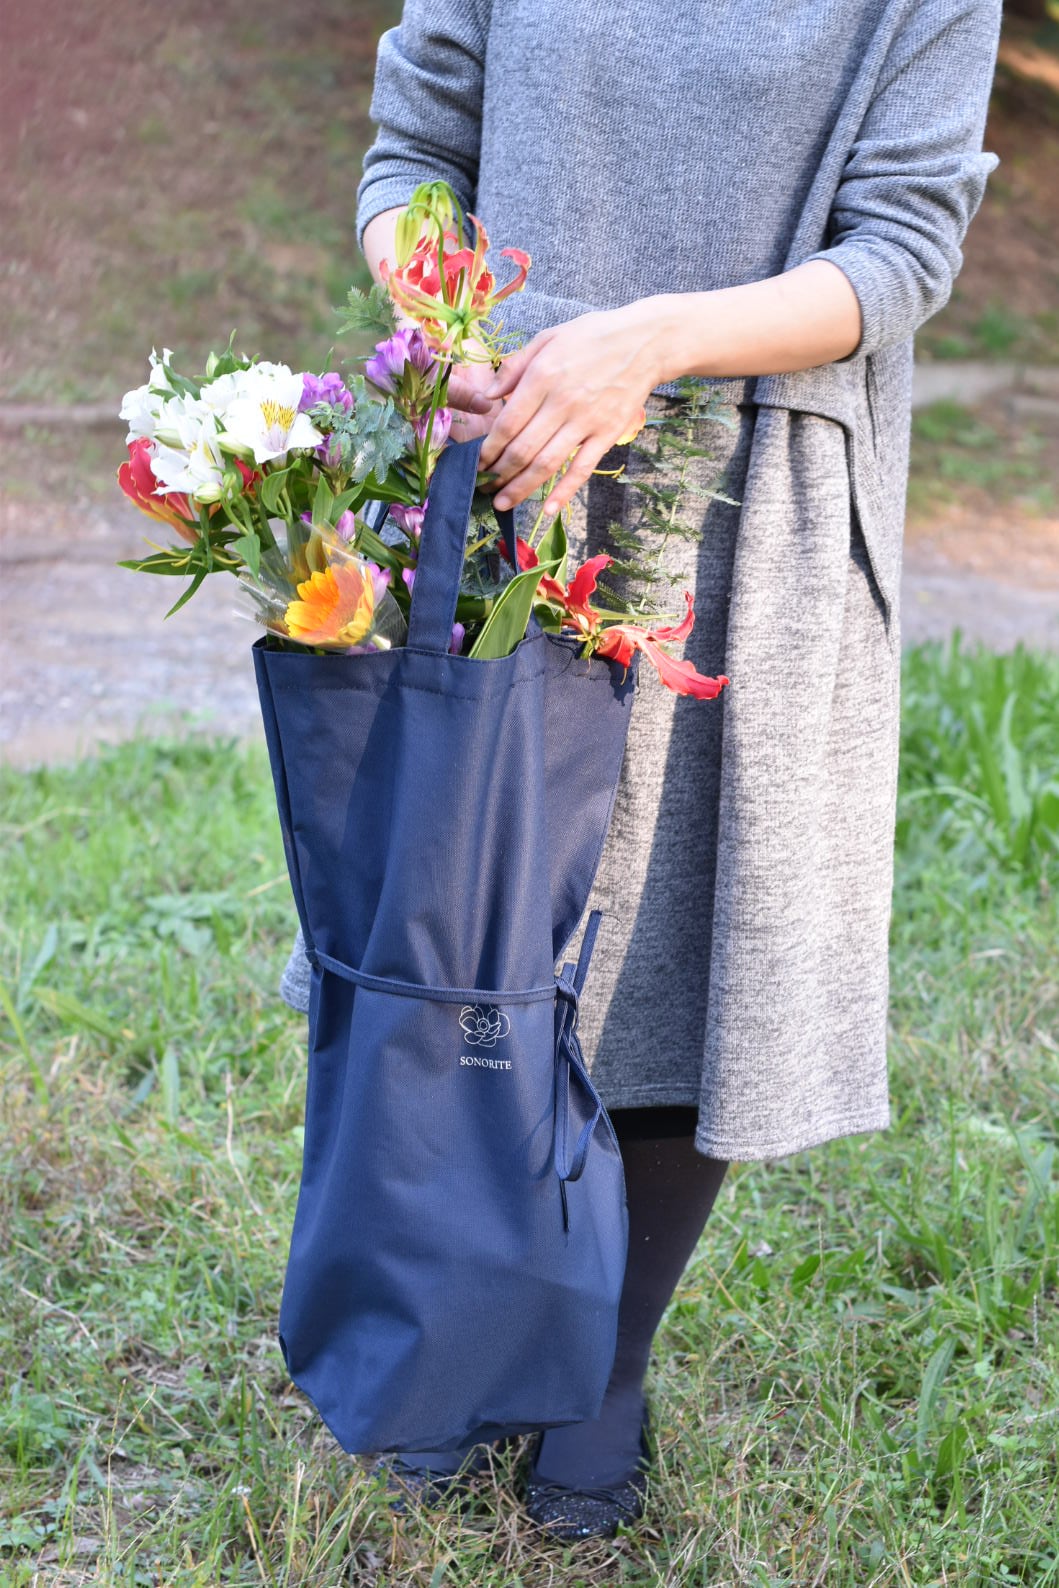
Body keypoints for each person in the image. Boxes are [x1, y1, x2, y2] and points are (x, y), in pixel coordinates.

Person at [279, 0, 1003, 1541]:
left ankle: (601, 1365)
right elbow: (415, 154)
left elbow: (898, 254)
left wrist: (651, 341)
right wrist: (451, 337)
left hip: (757, 502)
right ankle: (467, 1320)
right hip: (512, 466)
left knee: (680, 949)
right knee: (465, 924)